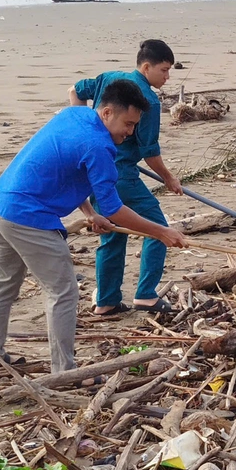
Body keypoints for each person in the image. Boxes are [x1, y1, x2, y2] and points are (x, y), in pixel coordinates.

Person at [0, 80, 188, 373]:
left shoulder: (75, 115)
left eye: (134, 126)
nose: (129, 132)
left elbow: (70, 170)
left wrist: (91, 213)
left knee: (3, 283)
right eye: (127, 124)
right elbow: (116, 209)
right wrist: (161, 231)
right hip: (28, 217)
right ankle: (64, 372)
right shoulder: (100, 146)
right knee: (63, 292)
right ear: (106, 113)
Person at [70, 39, 186, 315]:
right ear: (146, 67)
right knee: (158, 228)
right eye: (164, 70)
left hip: (93, 170)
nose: (167, 77)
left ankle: (107, 301)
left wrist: (83, 126)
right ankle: (146, 295)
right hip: (120, 174)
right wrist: (169, 179)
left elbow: (74, 90)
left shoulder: (110, 78)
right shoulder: (149, 101)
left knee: (111, 233)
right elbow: (150, 152)